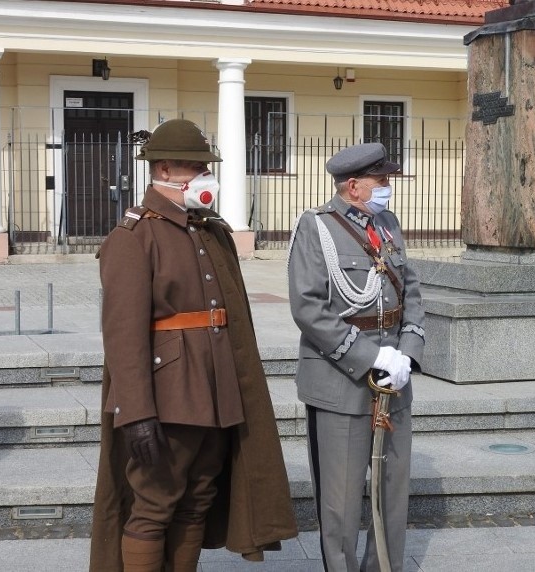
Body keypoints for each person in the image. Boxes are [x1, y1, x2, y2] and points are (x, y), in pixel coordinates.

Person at [90, 118, 297, 572]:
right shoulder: (134, 237)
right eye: (196, 168)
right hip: (168, 397)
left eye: (205, 167)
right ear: (164, 170)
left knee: (197, 497)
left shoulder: (207, 230)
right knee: (154, 503)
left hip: (217, 390)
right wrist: (136, 411)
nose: (206, 177)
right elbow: (123, 336)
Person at [287, 142, 425, 572]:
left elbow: (412, 293)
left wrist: (407, 355)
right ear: (354, 186)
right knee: (341, 503)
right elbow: (309, 307)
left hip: (393, 382)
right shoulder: (316, 228)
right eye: (381, 181)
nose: (387, 188)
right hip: (341, 382)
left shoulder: (388, 225)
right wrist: (371, 358)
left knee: (392, 494)